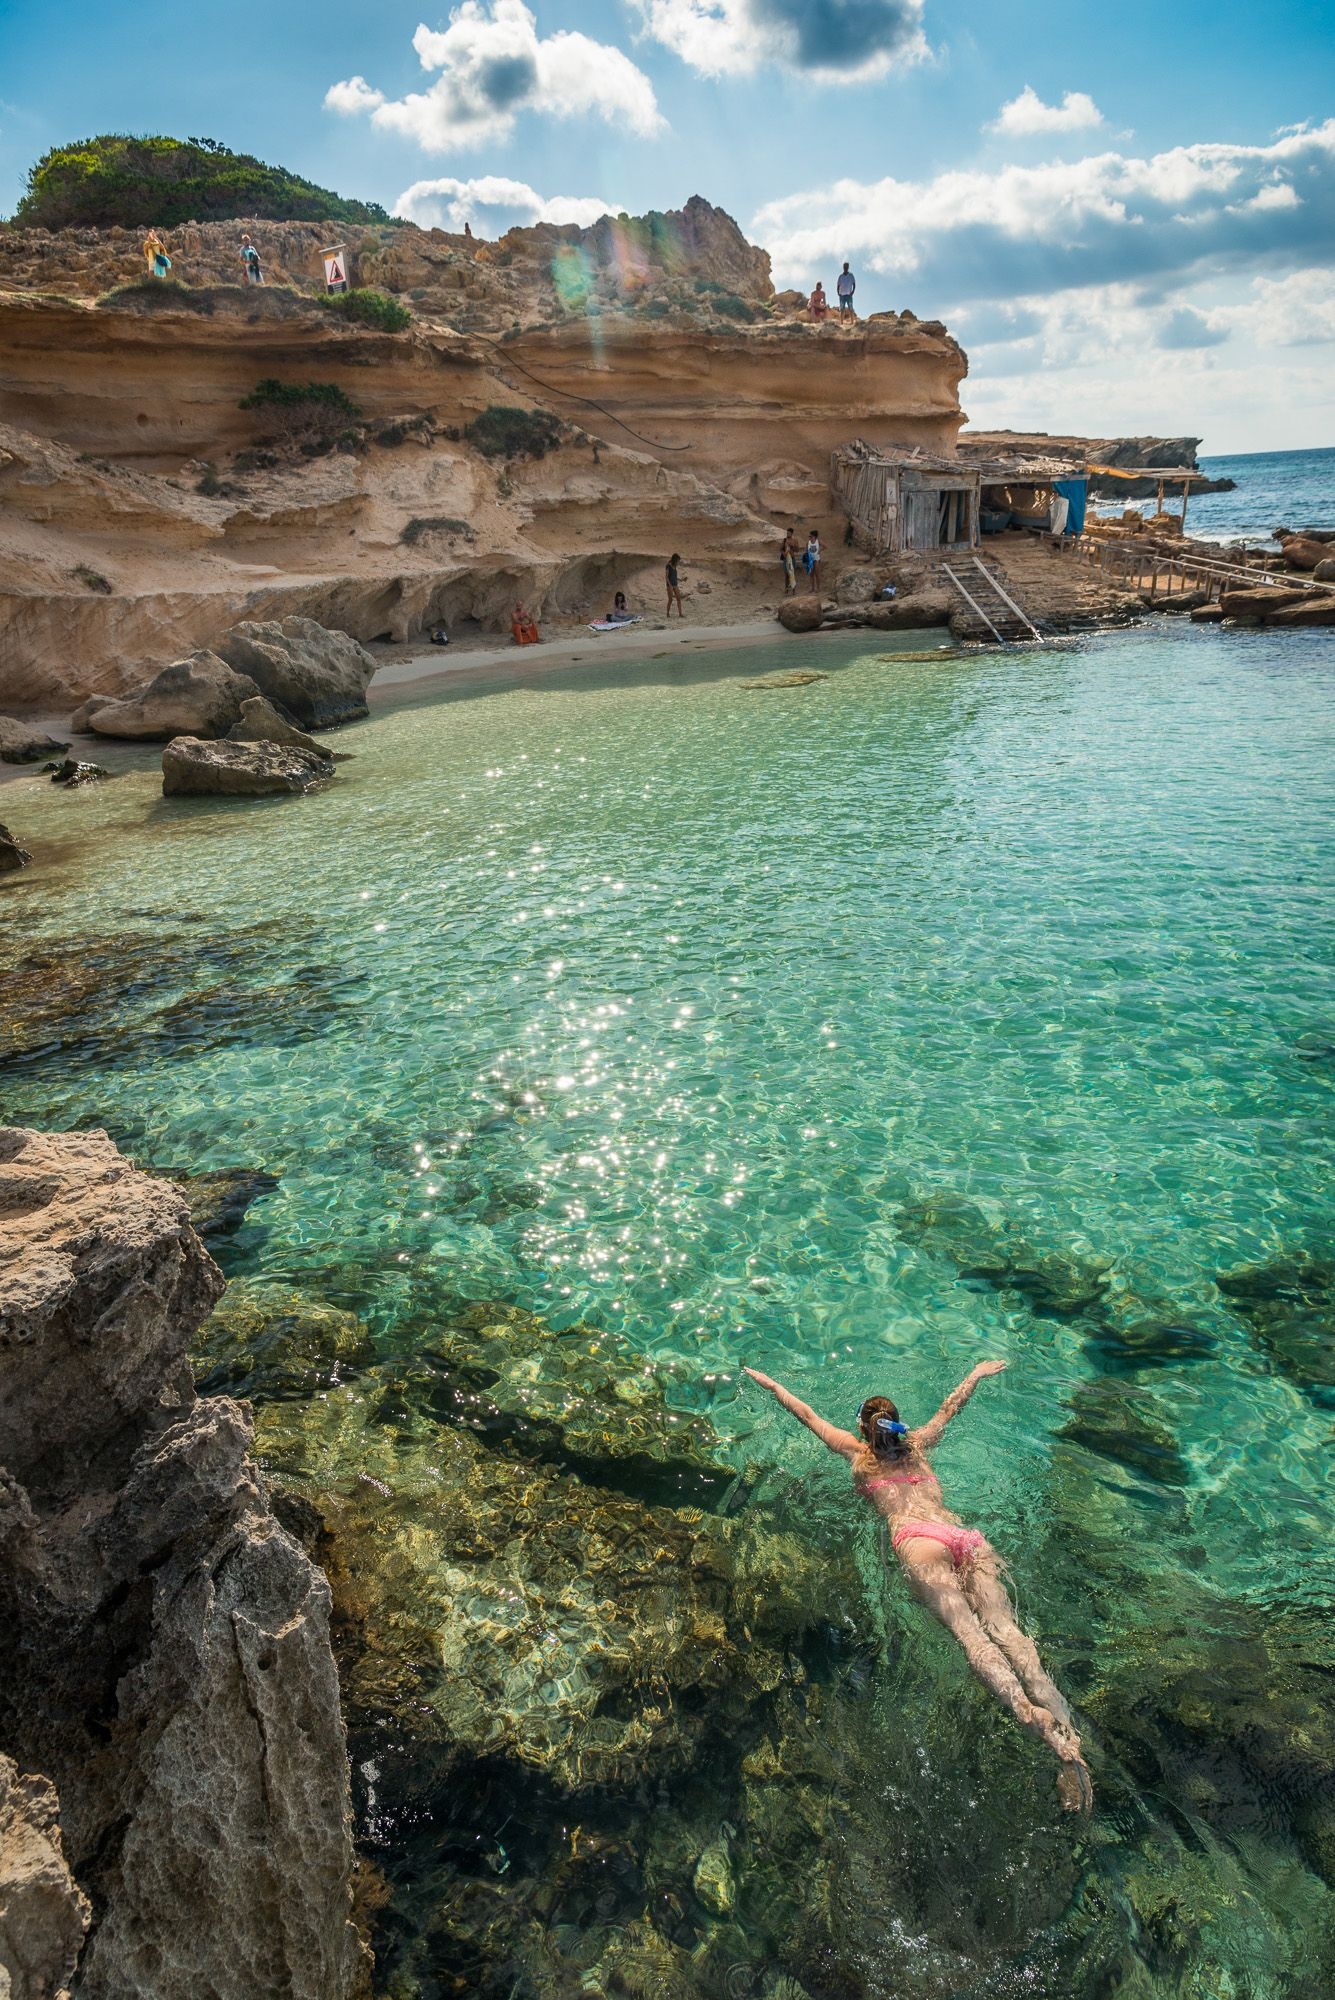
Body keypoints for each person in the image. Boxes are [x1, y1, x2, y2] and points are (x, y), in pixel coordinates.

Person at [743, 1362, 1092, 1811]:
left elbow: (806, 1414)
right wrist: (976, 1375)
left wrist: (770, 1381)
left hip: (918, 1543)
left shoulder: (856, 1454)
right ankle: (1071, 1746)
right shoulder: (920, 1445)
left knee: (973, 1640)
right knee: (1012, 1637)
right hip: (963, 1537)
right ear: (897, 1424)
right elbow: (952, 1408)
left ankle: (1030, 1718)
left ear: (864, 1430)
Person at [665, 553, 684, 619]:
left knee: (678, 599)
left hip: (675, 584)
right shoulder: (668, 566)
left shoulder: (675, 566)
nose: (678, 562)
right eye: (678, 560)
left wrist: (681, 579)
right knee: (670, 600)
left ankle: (680, 614)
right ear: (675, 559)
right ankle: (667, 613)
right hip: (669, 585)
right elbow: (666, 577)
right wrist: (670, 585)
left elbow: (675, 577)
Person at [804, 529, 822, 594]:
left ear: (814, 536)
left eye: (810, 536)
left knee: (817, 574)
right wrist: (806, 557)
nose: (809, 537)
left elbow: (825, 546)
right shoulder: (808, 542)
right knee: (811, 574)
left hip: (816, 559)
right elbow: (806, 551)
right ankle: (812, 588)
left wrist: (820, 551)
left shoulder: (818, 541)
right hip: (810, 560)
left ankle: (818, 588)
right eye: (809, 536)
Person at [780, 529, 798, 596]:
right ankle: (786, 589)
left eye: (789, 533)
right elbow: (780, 549)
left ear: (792, 533)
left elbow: (797, 550)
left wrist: (792, 546)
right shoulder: (784, 540)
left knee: (792, 575)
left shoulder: (795, 540)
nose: (787, 534)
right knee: (786, 575)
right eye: (787, 533)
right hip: (786, 559)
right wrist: (783, 553)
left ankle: (794, 590)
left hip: (792, 559)